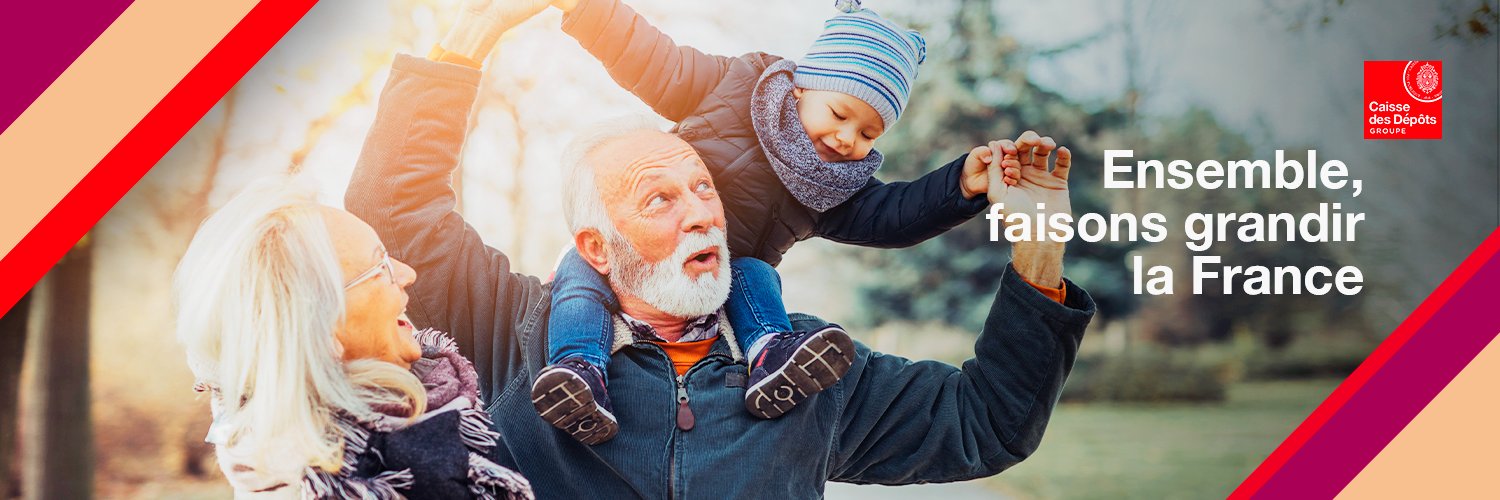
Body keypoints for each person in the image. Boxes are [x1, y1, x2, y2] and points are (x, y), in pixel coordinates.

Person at [344, 1, 1095, 496]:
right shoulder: (515, 336)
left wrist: (1038, 249)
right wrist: (470, 36)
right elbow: (396, 210)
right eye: (660, 197)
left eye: (705, 188)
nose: (705, 212)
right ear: (595, 246)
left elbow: (984, 423)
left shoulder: (814, 374)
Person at [539, 0, 1039, 441]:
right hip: (642, 255)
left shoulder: (834, 185)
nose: (848, 139)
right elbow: (654, 62)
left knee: (755, 274)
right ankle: (578, 369)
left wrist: (961, 185)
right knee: (580, 278)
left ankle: (773, 355)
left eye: (869, 132)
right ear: (803, 86)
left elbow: (894, 217)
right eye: (840, 114)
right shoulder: (730, 89)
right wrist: (585, 9)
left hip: (723, 274)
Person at [174, 180, 532, 499]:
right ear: (322, 329)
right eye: (381, 268)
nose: (407, 274)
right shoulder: (378, 480)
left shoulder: (291, 456)